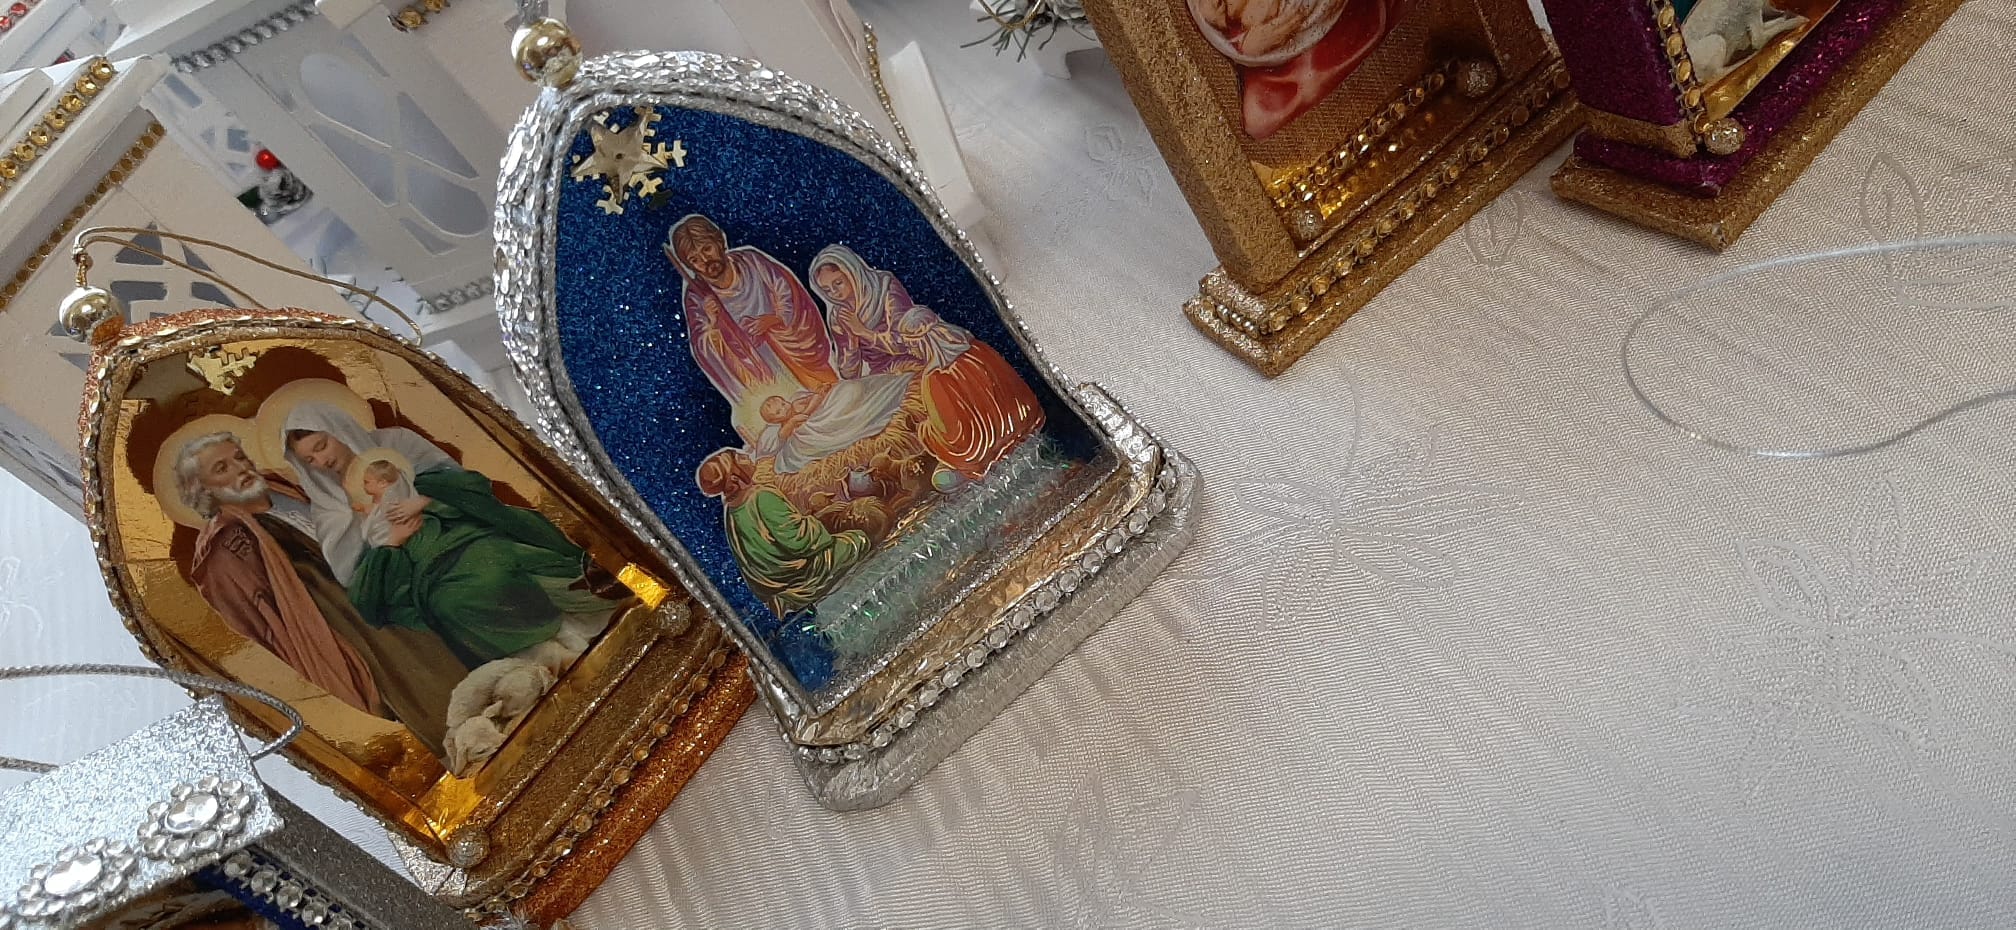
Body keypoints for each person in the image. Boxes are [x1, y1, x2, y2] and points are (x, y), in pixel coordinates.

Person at [174, 432, 461, 759]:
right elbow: (260, 634)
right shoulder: (224, 553)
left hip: (392, 583)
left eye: (239, 457)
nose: (241, 468)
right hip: (354, 629)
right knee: (430, 687)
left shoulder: (286, 489)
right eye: (222, 468)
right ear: (203, 490)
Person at [281, 403, 619, 671]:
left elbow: (467, 484)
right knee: (449, 603)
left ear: (338, 428)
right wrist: (390, 543)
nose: (322, 461)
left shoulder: (397, 444)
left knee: (496, 565)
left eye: (322, 446)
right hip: (412, 572)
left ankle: (579, 625)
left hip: (459, 532)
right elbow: (352, 575)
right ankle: (540, 660)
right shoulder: (328, 507)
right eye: (310, 460)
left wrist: (424, 499)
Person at [808, 244, 1046, 481]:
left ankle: (969, 452)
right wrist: (850, 339)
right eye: (827, 290)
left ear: (852, 272)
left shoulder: (884, 287)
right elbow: (850, 371)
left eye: (838, 283)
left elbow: (906, 338)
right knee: (845, 403)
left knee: (942, 392)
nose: (835, 293)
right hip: (885, 372)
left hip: (919, 355)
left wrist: (863, 332)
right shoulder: (838, 316)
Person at [666, 214, 839, 441]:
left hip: (792, 351)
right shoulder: (696, 298)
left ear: (720, 241)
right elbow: (703, 349)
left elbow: (787, 292)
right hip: (760, 372)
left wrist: (773, 319)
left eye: (707, 249)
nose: (705, 261)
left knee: (833, 403)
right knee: (796, 427)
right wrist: (713, 323)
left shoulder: (751, 262)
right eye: (695, 260)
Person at [696, 448, 869, 616]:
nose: (747, 457)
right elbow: (799, 541)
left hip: (776, 583)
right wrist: (818, 518)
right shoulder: (761, 496)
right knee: (858, 540)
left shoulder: (731, 511)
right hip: (802, 575)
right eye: (740, 458)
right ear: (735, 474)